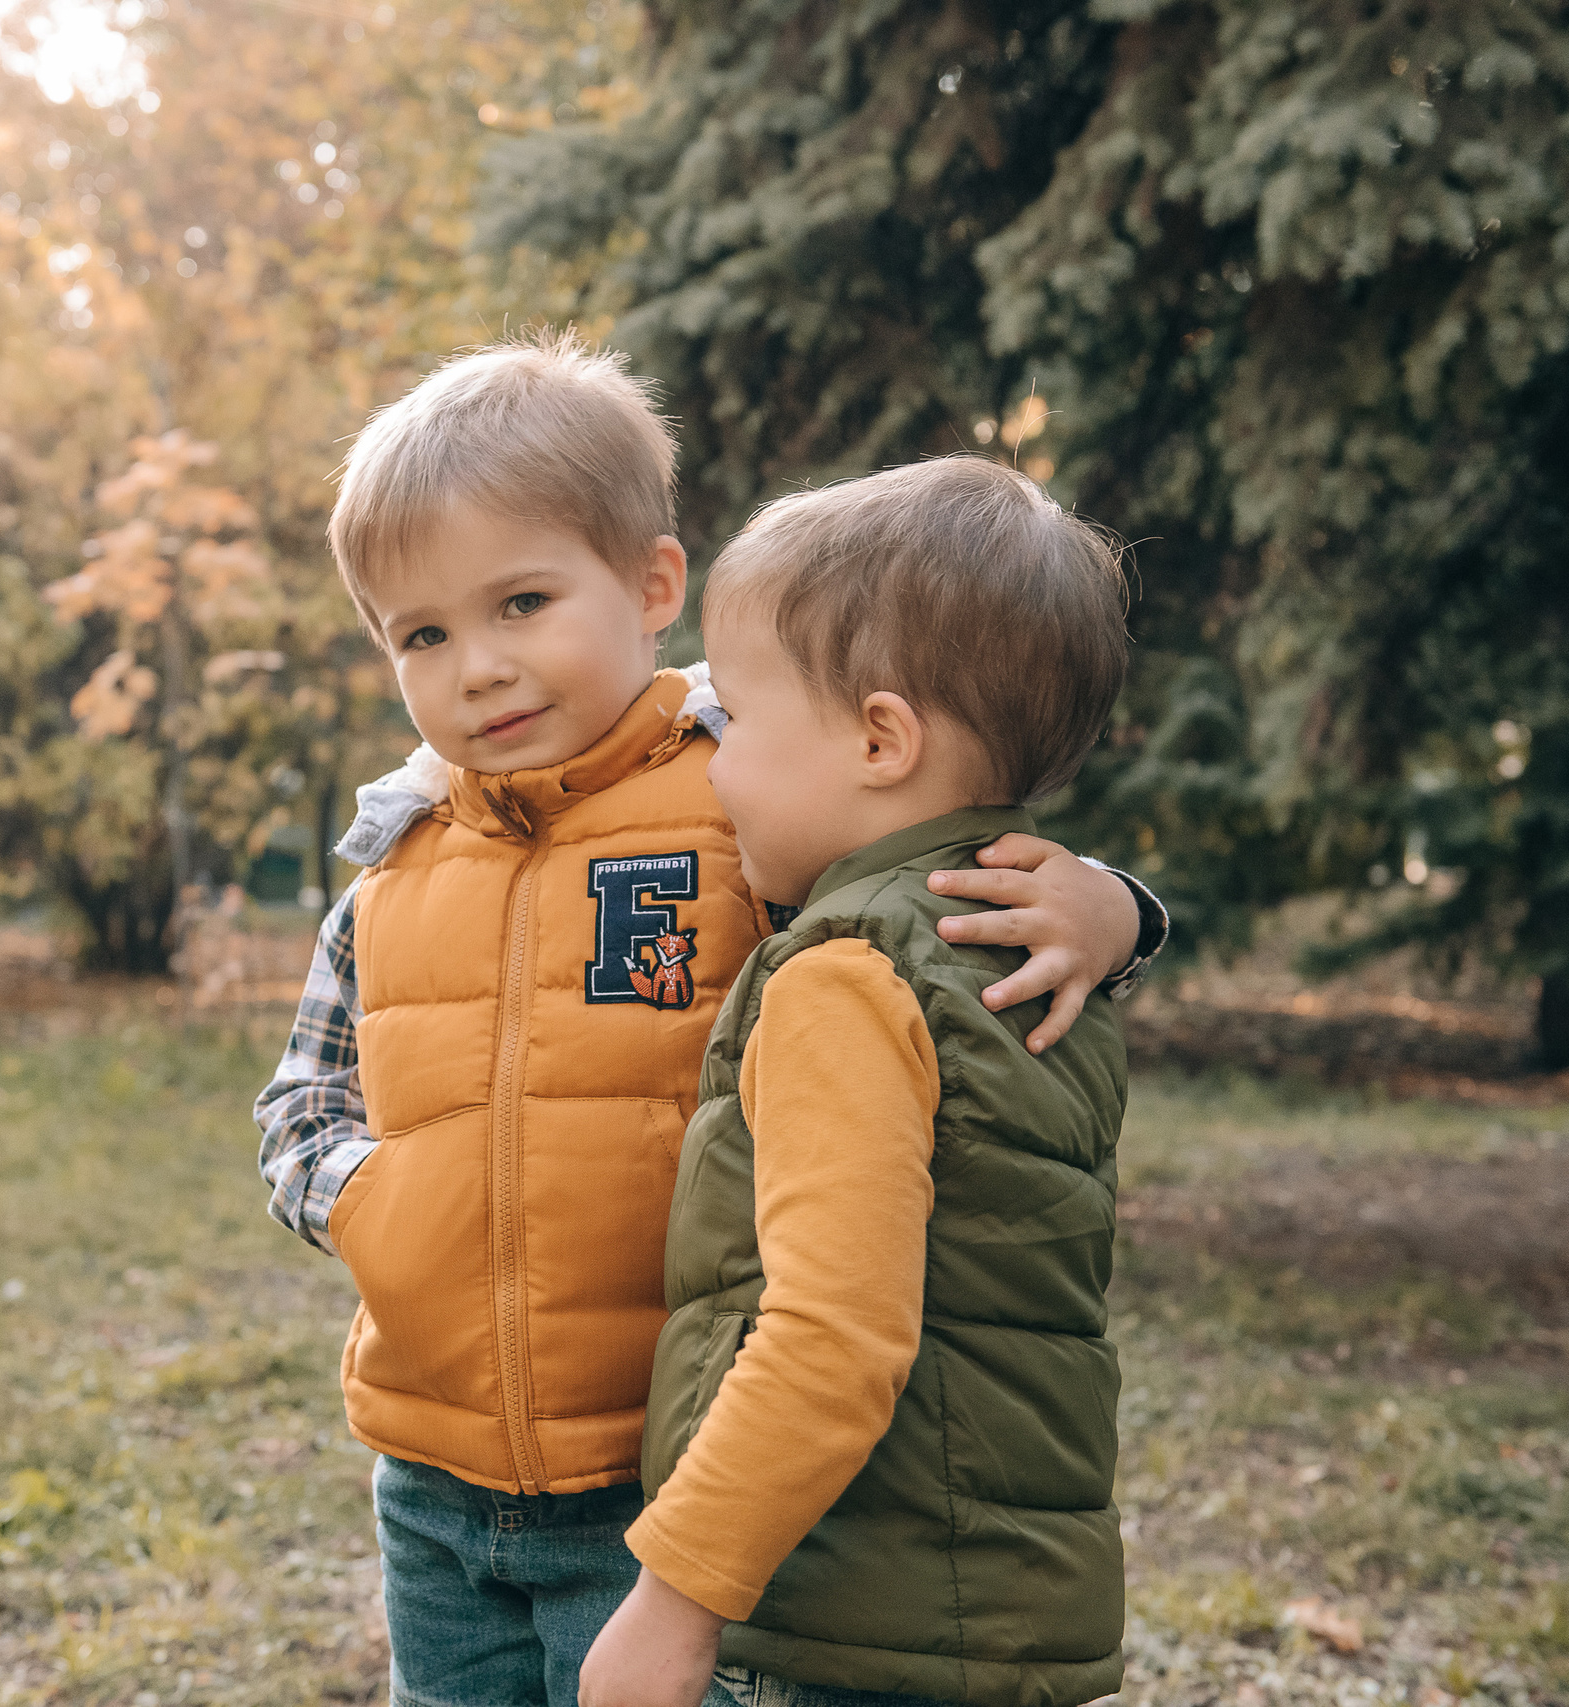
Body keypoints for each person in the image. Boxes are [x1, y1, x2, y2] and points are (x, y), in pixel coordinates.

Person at [253, 336, 1163, 1707]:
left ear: (652, 585)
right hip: (432, 1469)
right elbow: (302, 1104)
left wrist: (1118, 905)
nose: (479, 667)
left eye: (521, 600)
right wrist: (376, 1195)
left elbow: (938, 859)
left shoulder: (740, 787)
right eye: (422, 633)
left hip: (656, 1469)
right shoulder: (394, 866)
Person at [578, 455, 1138, 1707]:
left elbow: (834, 1342)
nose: (712, 766)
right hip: (996, 1610)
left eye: (739, 720)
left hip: (853, 1622)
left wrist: (674, 1604)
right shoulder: (1037, 947)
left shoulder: (846, 979)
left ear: (879, 739)